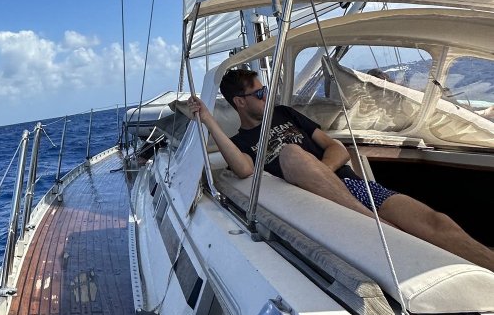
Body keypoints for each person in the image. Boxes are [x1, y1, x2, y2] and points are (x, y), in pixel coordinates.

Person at [185, 66, 494, 272]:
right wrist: (209, 120)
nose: (268, 97)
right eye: (260, 93)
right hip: (318, 204)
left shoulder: (285, 113)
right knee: (292, 154)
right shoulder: (242, 141)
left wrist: (322, 174)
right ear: (239, 102)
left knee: (438, 223)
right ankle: (378, 226)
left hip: (349, 185)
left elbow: (337, 149)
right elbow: (243, 169)